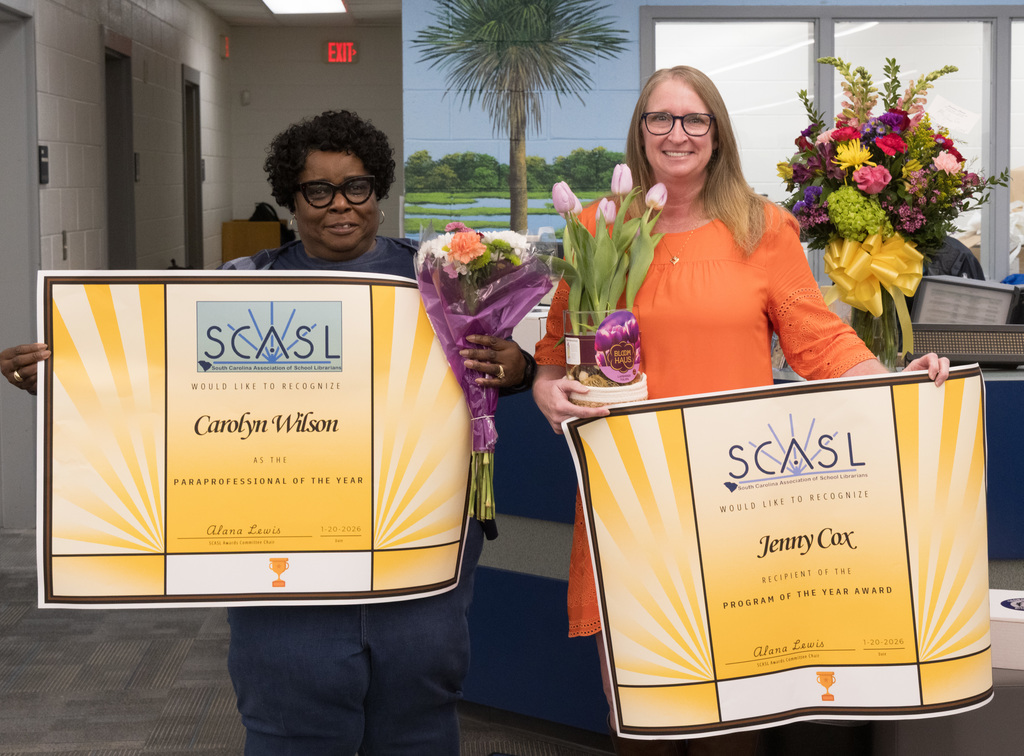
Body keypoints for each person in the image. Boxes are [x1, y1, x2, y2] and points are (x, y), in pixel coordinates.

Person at [1, 109, 536, 755]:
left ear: (379, 189)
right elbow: (165, 388)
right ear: (290, 198)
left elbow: (499, 362)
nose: (340, 206)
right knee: (293, 722)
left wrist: (517, 367)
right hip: (287, 557)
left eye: (357, 187)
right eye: (318, 191)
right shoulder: (239, 286)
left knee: (418, 720)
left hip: (416, 551)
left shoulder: (441, 281)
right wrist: (65, 382)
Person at [531, 66, 950, 756]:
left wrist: (898, 383)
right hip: (633, 499)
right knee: (646, 713)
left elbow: (819, 342)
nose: (678, 133)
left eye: (695, 119)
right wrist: (550, 389)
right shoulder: (595, 226)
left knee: (735, 718)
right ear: (640, 133)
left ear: (717, 133)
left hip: (738, 505)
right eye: (660, 119)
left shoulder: (763, 227)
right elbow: (561, 348)